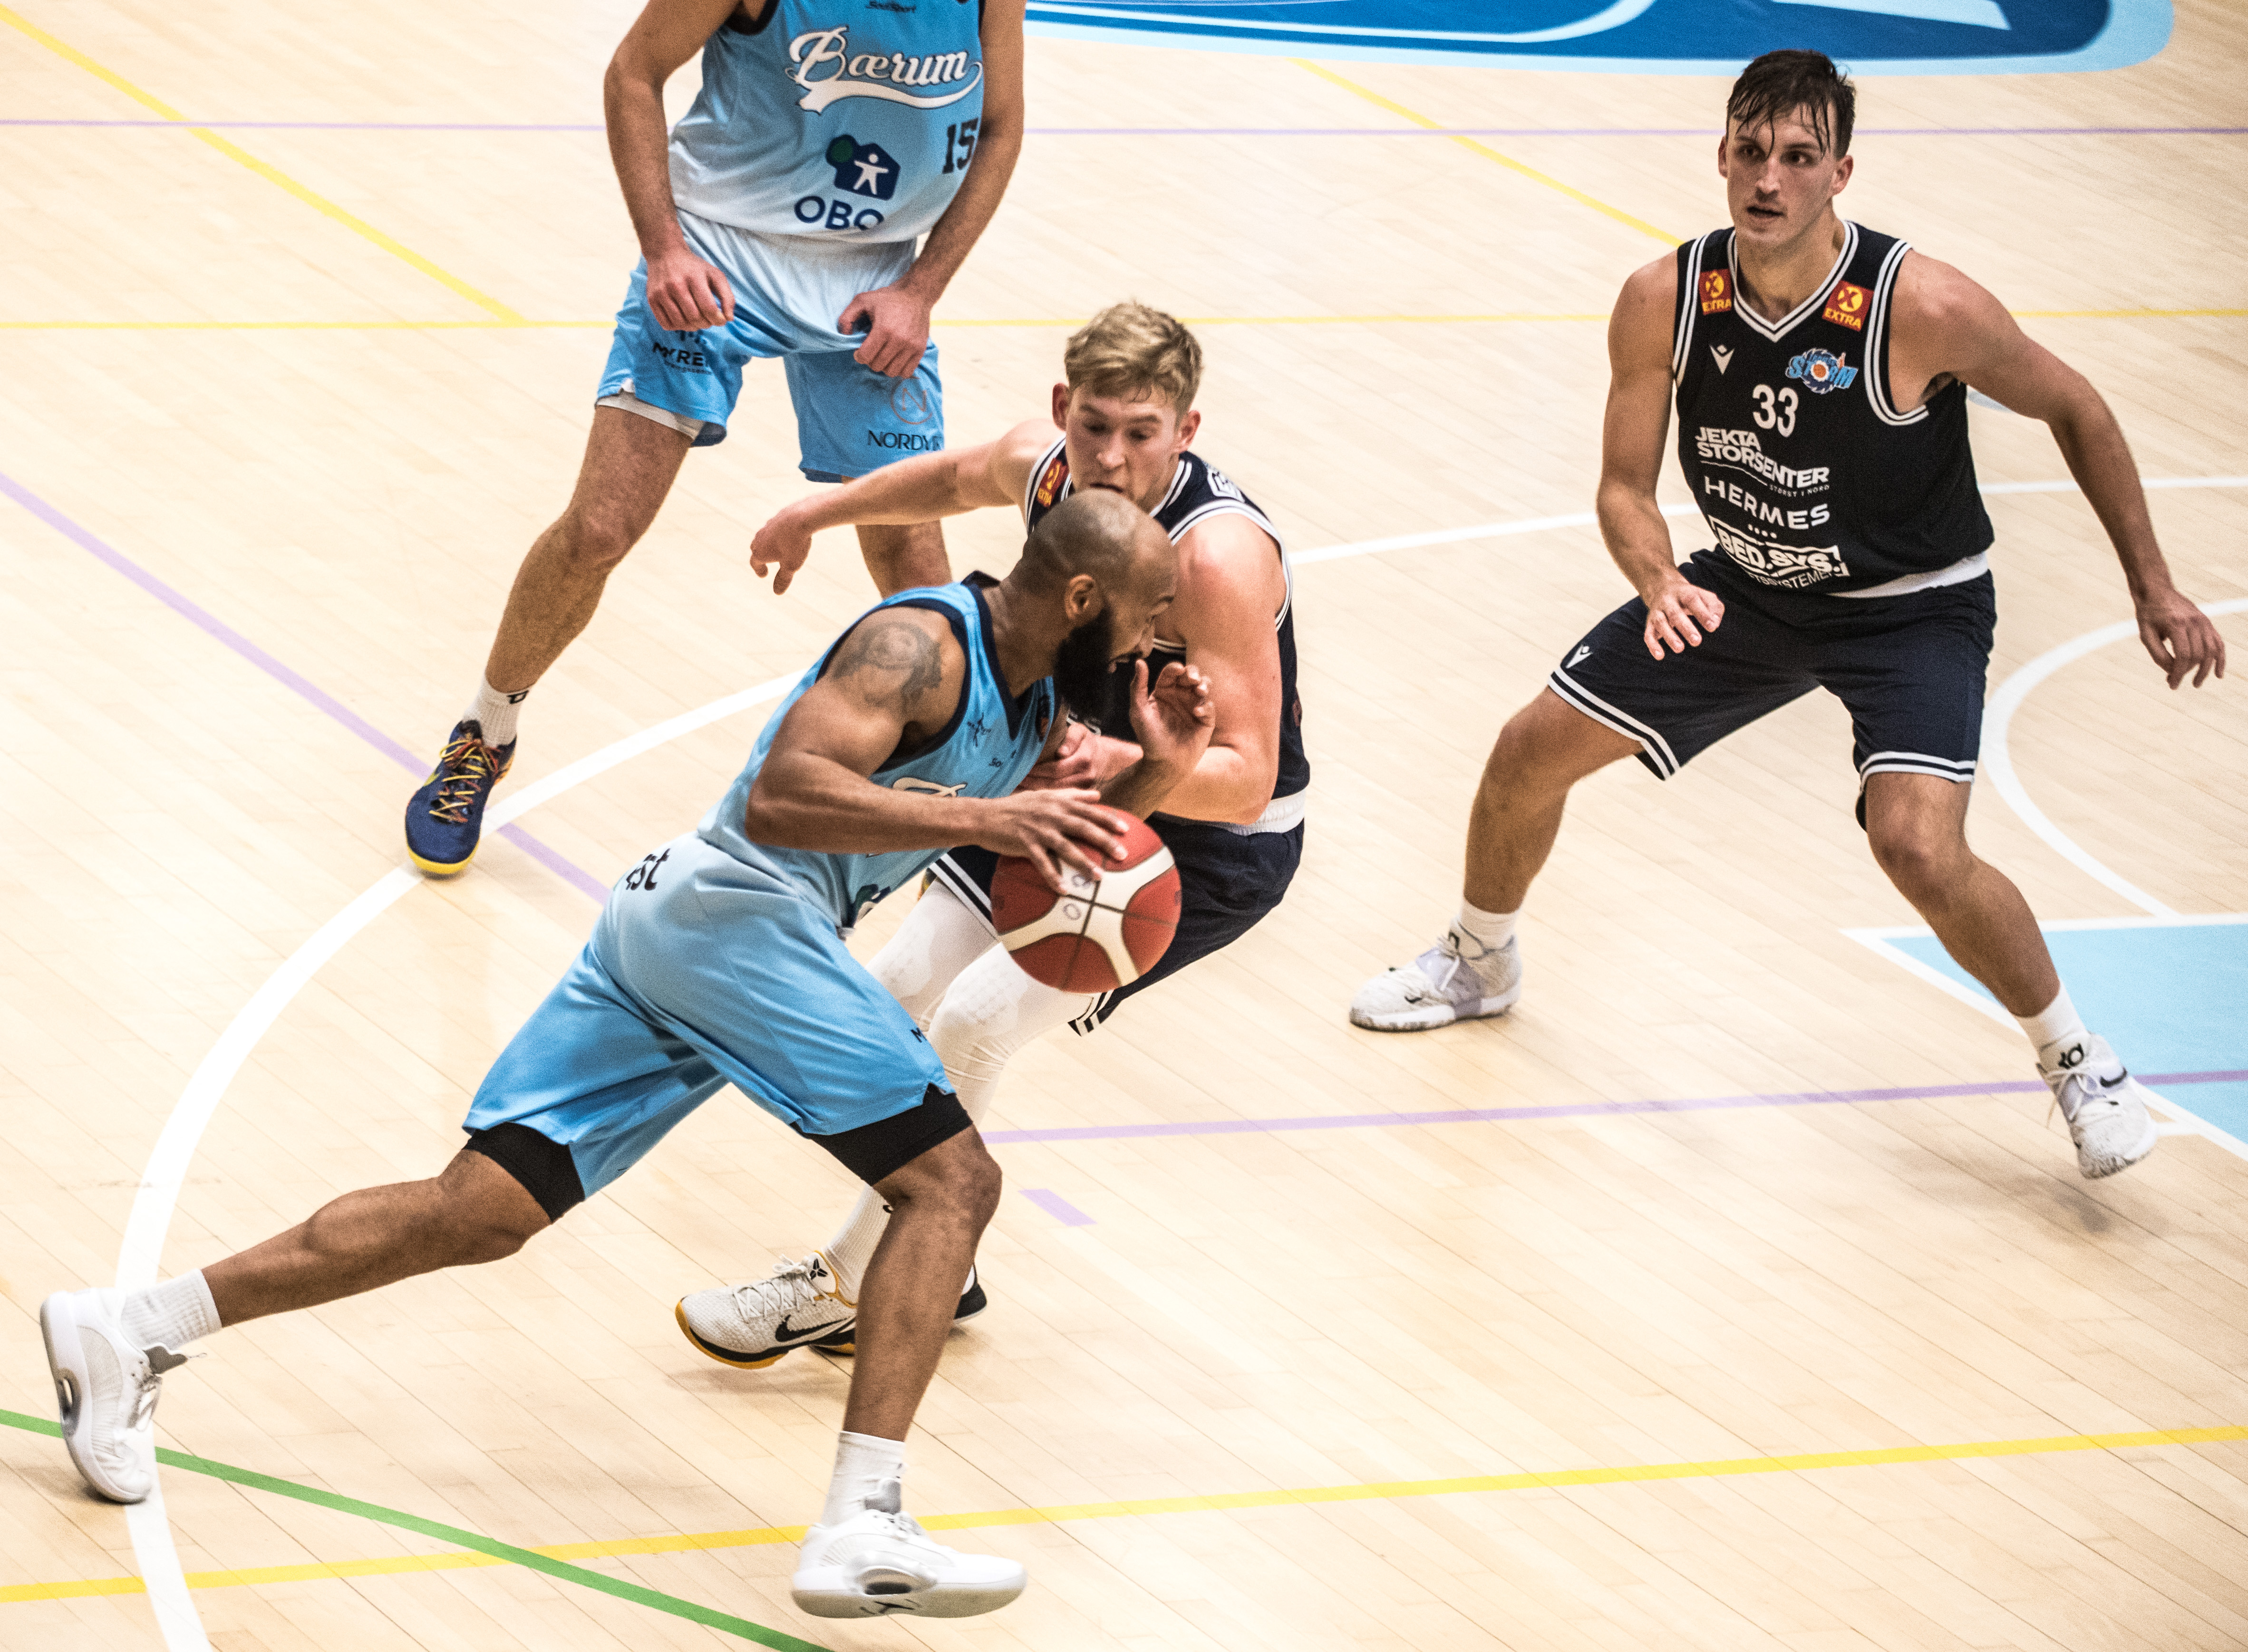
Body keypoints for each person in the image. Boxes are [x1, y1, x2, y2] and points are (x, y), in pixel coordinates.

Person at [43, 491, 1211, 1622]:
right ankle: (862, 1518)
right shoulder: (918, 647)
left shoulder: (1030, 706)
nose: (1155, 637)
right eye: (1150, 611)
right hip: (744, 908)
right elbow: (781, 795)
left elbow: (1065, 855)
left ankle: (131, 1324)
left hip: (683, 929)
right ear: (1080, 596)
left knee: (482, 1208)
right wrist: (981, 819)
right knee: (954, 1181)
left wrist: (1155, 765)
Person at [1347, 50, 2226, 1181]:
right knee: (1526, 752)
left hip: (1911, 608)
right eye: (1751, 151)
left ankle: (2076, 1058)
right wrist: (1659, 579)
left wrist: (2151, 583)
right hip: (1748, 587)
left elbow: (2077, 406)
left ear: (1840, 173)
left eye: (1798, 156)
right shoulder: (1663, 298)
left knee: (1916, 844)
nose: (1769, 177)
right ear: (1721, 155)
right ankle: (1480, 958)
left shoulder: (1922, 306)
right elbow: (1624, 485)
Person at [673, 301, 1308, 1366]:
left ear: (1186, 432)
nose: (1110, 458)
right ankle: (945, 1257)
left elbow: (1244, 783)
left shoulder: (1217, 560)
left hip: (1200, 840)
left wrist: (1129, 763)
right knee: (897, 987)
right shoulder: (1049, 468)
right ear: (1063, 410)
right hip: (1072, 785)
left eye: (1140, 434)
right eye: (1094, 425)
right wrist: (808, 516)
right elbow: (947, 477)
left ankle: (842, 1281)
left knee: (972, 1023)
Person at [402, 0, 1027, 876]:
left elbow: (1002, 128)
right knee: (600, 530)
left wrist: (923, 288)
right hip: (717, 256)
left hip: (875, 278)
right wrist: (664, 247)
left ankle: (954, 806)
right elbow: (633, 70)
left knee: (917, 573)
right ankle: (485, 731)